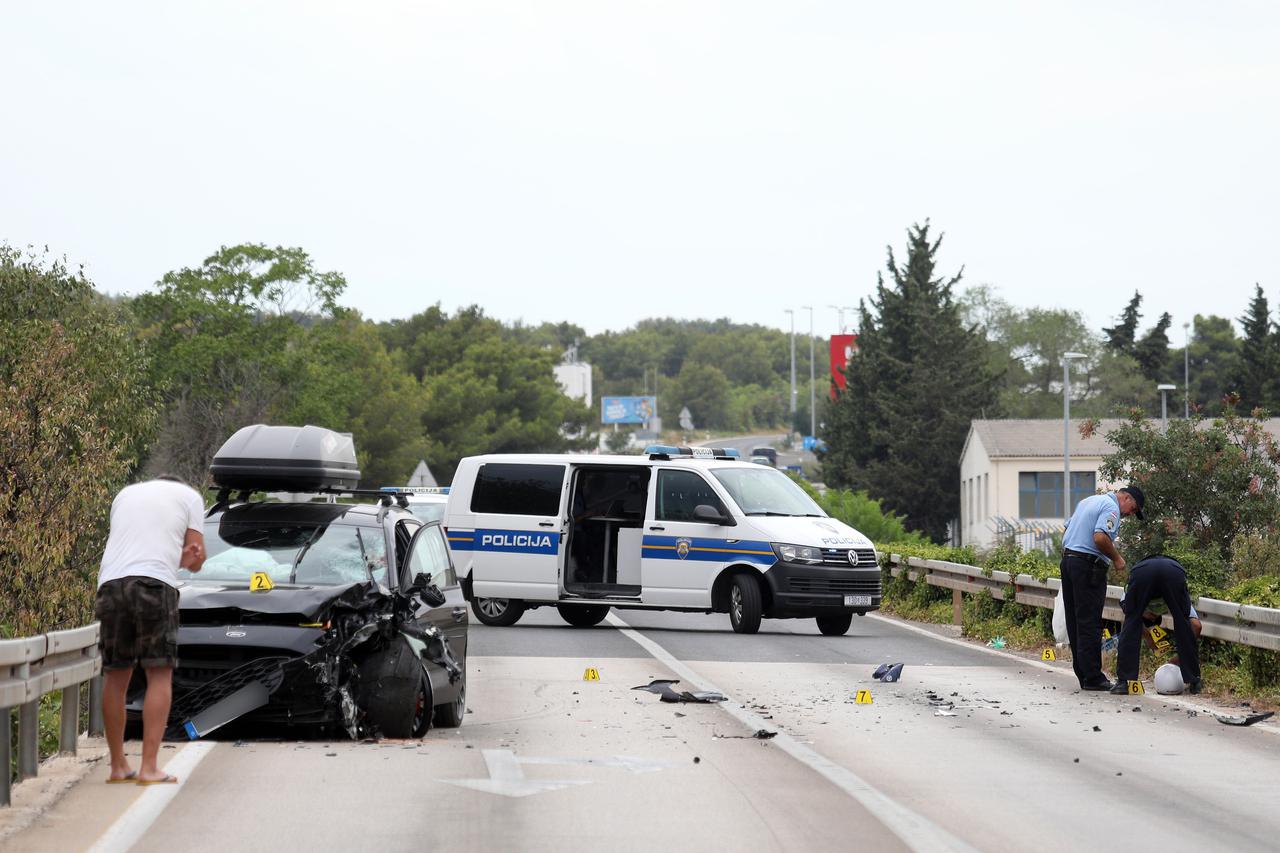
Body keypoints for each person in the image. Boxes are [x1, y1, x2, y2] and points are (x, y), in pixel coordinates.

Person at [96, 476, 205, 785]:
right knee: (160, 673)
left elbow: (134, 544)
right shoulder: (189, 496)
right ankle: (149, 767)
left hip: (111, 584)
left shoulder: (124, 494)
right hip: (154, 585)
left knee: (116, 675)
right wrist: (192, 560)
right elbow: (196, 556)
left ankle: (118, 765)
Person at [1058, 485, 1145, 691]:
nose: (1130, 514)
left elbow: (1068, 527)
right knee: (1089, 621)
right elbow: (1099, 537)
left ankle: (1083, 674)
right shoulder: (1111, 507)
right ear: (1125, 497)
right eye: (1133, 509)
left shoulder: (1088, 501)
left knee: (1075, 620)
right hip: (1088, 565)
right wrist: (1117, 558)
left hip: (1069, 561)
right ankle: (1093, 677)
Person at [1111, 554, 1202, 694]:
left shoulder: (1128, 597)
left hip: (1143, 571)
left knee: (1131, 622)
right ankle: (1195, 681)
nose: (1152, 615)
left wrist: (1178, 658)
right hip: (1173, 570)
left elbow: (1131, 622)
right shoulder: (1170, 598)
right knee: (1182, 623)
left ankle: (1124, 682)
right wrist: (1148, 637)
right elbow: (1190, 625)